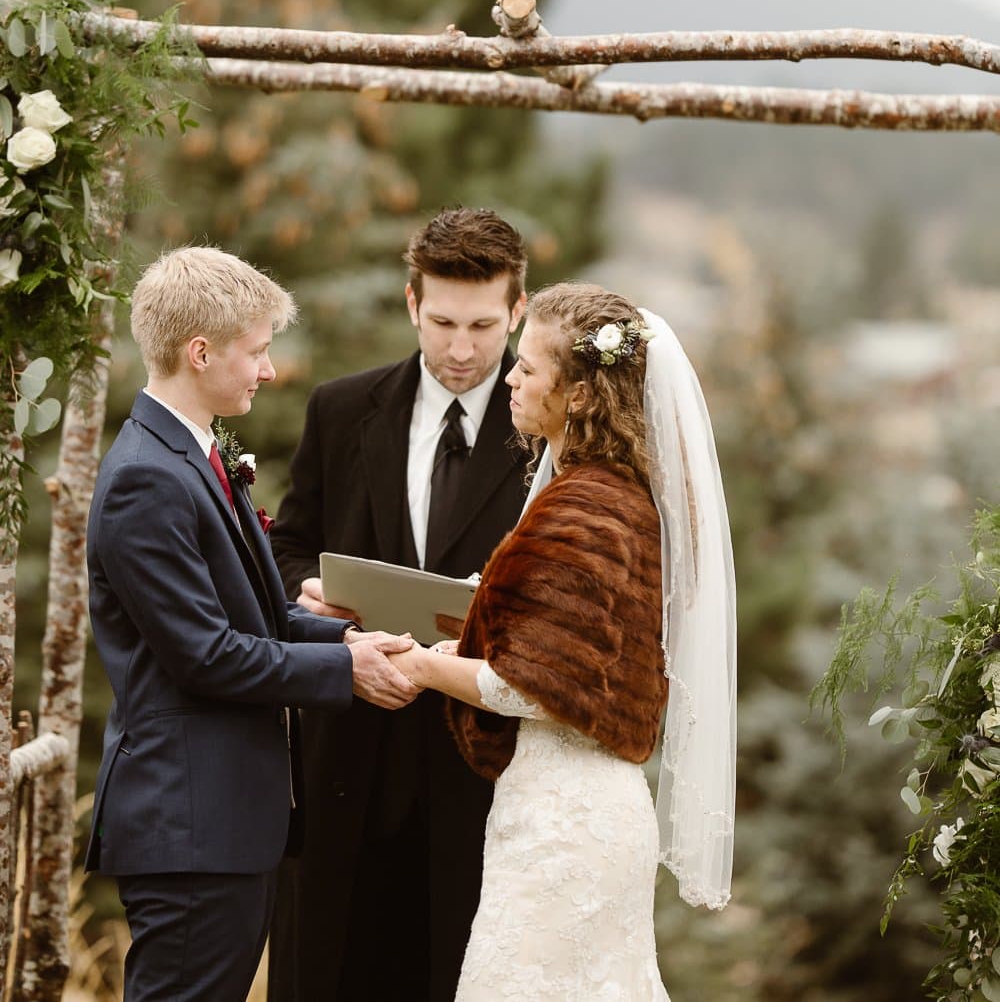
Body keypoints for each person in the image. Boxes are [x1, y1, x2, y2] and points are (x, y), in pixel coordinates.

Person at [85, 246, 418, 1002]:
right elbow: (205, 656)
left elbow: (262, 620)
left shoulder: (192, 454)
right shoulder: (147, 478)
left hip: (224, 823)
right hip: (190, 824)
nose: (269, 371)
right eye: (258, 351)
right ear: (199, 353)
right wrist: (347, 675)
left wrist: (350, 641)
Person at [390, 282, 738, 1000]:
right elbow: (569, 644)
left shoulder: (588, 509)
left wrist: (419, 664)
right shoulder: (615, 495)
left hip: (564, 827)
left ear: (579, 394)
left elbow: (533, 686)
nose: (508, 379)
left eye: (527, 367)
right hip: (579, 809)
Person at [267, 207, 532, 1002]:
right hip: (347, 762)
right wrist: (307, 596)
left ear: (518, 310)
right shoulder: (343, 408)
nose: (461, 348)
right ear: (412, 302)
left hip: (483, 772)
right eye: (443, 321)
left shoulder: (553, 433)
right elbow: (288, 547)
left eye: (484, 326)